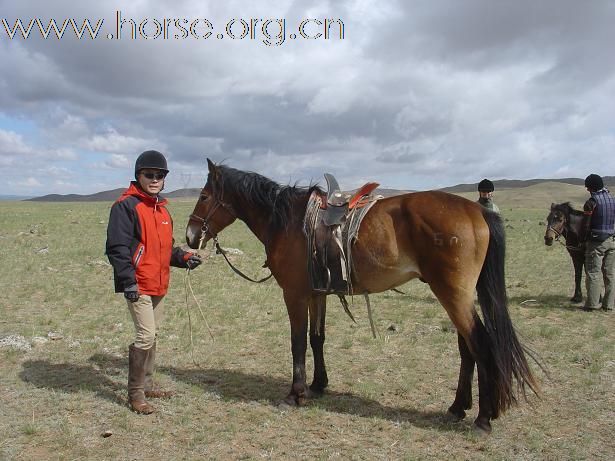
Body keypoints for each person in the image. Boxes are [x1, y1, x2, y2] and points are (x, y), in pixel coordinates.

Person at [105, 150, 203, 414]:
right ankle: (135, 394)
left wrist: (184, 258)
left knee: (153, 335)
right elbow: (117, 249)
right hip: (138, 284)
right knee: (145, 335)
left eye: (160, 175)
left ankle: (147, 385)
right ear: (138, 175)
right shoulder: (126, 206)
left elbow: (165, 249)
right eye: (150, 175)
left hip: (159, 283)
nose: (155, 179)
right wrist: (128, 283)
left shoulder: (162, 209)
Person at [580, 173, 615, 312]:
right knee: (610, 274)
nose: (587, 190)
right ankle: (609, 305)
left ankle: (592, 305)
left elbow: (585, 225)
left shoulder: (591, 202)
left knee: (593, 273)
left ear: (592, 187)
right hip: (612, 241)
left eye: (588, 187)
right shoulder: (612, 199)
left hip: (596, 243)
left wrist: (583, 239)